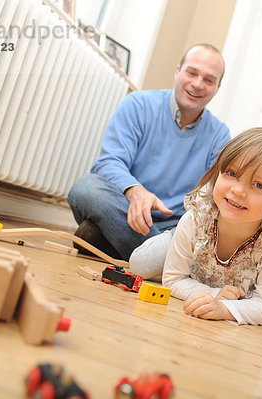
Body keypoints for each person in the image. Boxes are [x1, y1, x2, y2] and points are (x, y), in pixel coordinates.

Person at [67, 44, 230, 263]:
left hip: (174, 228)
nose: (197, 84)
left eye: (209, 80)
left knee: (91, 234)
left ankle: (122, 246)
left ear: (218, 88)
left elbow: (211, 199)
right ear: (177, 71)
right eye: (191, 72)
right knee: (86, 188)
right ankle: (160, 262)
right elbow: (109, 162)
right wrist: (135, 192)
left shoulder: (220, 135)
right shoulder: (138, 104)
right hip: (124, 211)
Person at [161, 127, 262, 325]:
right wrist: (215, 294)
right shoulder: (194, 219)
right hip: (189, 239)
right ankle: (167, 238)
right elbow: (173, 280)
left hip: (206, 271)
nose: (238, 190)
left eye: (259, 185)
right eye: (231, 173)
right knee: (143, 264)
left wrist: (224, 309)